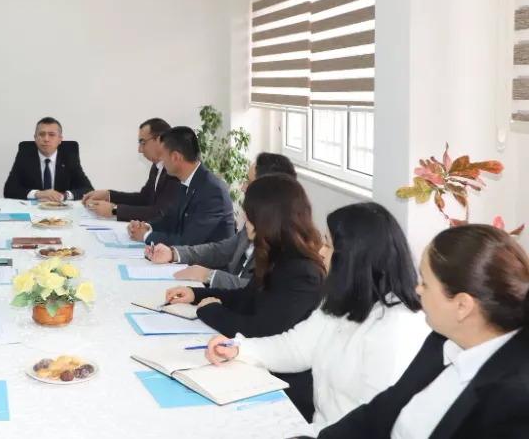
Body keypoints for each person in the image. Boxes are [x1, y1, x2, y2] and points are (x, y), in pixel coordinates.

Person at [203, 202, 428, 433]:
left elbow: (373, 422)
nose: (321, 252)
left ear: (352, 257)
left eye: (328, 245)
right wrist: (239, 349)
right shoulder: (346, 299)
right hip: (318, 429)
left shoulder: (396, 327)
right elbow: (297, 347)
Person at [305, 224, 529, 439]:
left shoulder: (514, 399)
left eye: (426, 284)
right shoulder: (441, 340)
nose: (418, 289)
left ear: (462, 305)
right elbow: (386, 407)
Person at [164, 173, 325, 418]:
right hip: (254, 369)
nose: (244, 218)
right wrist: (196, 294)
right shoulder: (278, 254)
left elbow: (262, 330)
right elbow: (246, 297)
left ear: (266, 218)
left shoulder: (302, 272)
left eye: (249, 214)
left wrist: (211, 311)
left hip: (282, 389)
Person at [147, 152, 297, 289]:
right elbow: (220, 250)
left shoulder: (287, 241)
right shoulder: (255, 221)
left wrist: (208, 275)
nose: (243, 187)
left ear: (269, 191)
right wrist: (173, 253)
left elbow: (260, 290)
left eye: (249, 182)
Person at [128, 126, 234, 246]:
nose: (161, 159)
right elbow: (170, 219)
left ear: (175, 157)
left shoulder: (213, 191)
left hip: (210, 258)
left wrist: (145, 236)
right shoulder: (183, 184)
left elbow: (188, 241)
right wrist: (147, 227)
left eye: (162, 154)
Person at [82, 117, 182, 222]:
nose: (140, 150)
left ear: (159, 139)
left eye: (143, 142)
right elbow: (144, 198)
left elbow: (160, 213)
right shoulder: (157, 166)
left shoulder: (174, 169)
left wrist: (114, 210)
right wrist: (109, 195)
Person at [2, 117, 94, 201]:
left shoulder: (69, 157)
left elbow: (88, 190)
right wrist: (38, 194)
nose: (46, 139)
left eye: (51, 135)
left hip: (61, 209)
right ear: (35, 138)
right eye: (42, 134)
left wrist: (63, 195)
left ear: (60, 139)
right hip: (33, 209)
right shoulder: (24, 156)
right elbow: (9, 190)